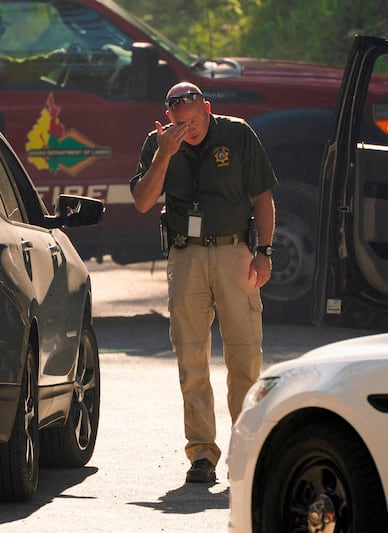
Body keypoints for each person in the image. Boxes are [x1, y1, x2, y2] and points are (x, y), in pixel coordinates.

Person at [130, 82, 277, 483]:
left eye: (194, 121)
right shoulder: (158, 144)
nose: (188, 129)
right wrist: (165, 153)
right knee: (191, 356)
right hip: (186, 253)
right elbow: (143, 201)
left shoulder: (238, 134)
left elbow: (263, 197)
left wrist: (264, 251)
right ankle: (201, 454)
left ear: (207, 108)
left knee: (245, 355)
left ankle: (247, 449)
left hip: (235, 251)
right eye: (180, 124)